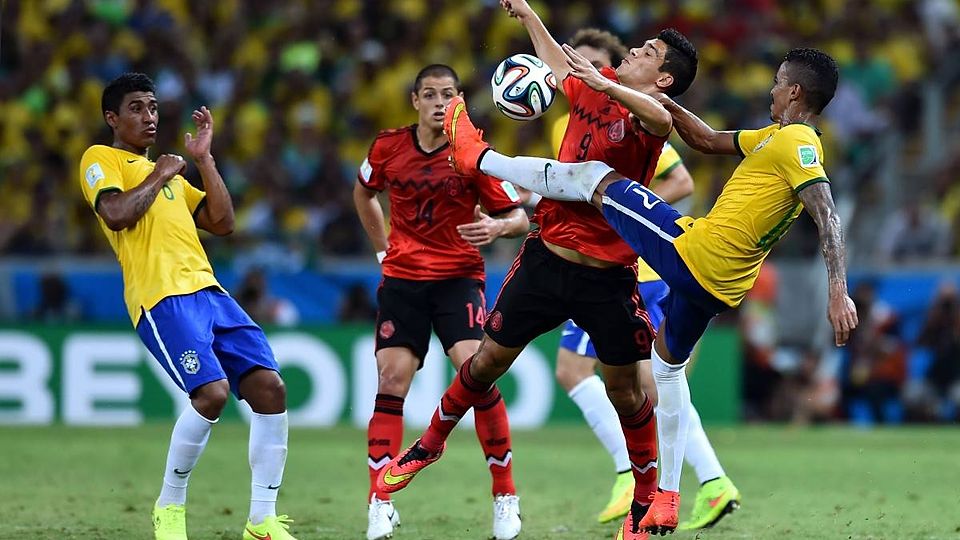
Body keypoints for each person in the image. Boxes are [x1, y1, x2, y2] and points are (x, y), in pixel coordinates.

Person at [438, 46, 859, 536]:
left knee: (595, 177)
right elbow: (704, 138)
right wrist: (655, 97)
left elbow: (827, 212)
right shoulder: (773, 137)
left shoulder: (799, 144)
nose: (771, 89)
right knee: (666, 368)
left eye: (778, 82)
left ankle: (480, 158)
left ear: (795, 92)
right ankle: (668, 499)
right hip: (721, 288)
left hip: (696, 254)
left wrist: (838, 289)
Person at [377, 2, 700, 539]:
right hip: (546, 260)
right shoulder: (593, 86)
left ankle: (643, 502)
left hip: (608, 275)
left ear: (663, 78)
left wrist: (602, 80)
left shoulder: (649, 117)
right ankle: (429, 444)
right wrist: (528, 15)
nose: (634, 51)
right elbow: (555, 64)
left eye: (646, 53)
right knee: (485, 363)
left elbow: (660, 118)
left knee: (625, 392)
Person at [78, 73, 297, 540]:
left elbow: (223, 222)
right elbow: (115, 214)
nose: (149, 116)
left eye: (153, 107)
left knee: (270, 388)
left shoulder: (174, 176)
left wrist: (203, 160)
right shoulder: (101, 159)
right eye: (136, 108)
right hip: (161, 297)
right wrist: (160, 173)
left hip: (210, 292)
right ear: (112, 118)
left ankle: (261, 520)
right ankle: (169, 506)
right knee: (212, 394)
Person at [550, 28, 740, 529]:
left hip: (629, 265)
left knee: (587, 373)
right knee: (641, 382)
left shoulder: (633, 108)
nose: (577, 68)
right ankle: (710, 480)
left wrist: (619, 204)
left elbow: (680, 179)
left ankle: (632, 473)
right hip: (610, 259)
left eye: (591, 61)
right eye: (572, 59)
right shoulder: (570, 117)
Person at [354, 64, 529, 540]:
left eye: (447, 94)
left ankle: (505, 495)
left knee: (476, 372)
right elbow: (364, 193)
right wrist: (382, 250)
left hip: (457, 280)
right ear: (415, 100)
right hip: (403, 280)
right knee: (391, 379)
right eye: (429, 94)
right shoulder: (387, 146)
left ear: (459, 101)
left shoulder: (473, 153)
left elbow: (518, 217)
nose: (438, 102)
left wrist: (496, 226)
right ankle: (379, 500)